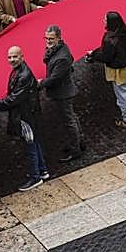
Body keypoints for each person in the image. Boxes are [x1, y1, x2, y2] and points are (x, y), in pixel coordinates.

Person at [0, 47, 49, 190]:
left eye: (14, 57)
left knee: (30, 146)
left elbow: (14, 99)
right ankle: (42, 170)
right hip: (29, 114)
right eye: (9, 57)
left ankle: (35, 177)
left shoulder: (23, 75)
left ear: (22, 57)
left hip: (25, 117)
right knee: (35, 142)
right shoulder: (21, 71)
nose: (12, 60)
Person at [91, 12, 126, 129]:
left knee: (122, 95)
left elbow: (106, 57)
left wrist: (94, 55)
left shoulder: (109, 39)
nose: (104, 21)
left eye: (105, 20)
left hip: (118, 70)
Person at [41, 25, 84, 163]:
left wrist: (40, 83)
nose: (48, 41)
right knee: (71, 117)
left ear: (58, 38)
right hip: (63, 90)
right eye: (46, 38)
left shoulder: (62, 57)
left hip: (63, 93)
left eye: (51, 39)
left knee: (69, 121)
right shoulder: (59, 49)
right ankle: (79, 142)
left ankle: (75, 150)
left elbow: (55, 79)